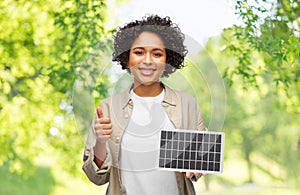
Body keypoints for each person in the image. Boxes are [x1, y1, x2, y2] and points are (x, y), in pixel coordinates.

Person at [82, 14, 206, 195]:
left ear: (167, 60)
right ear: (127, 58)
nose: (147, 60)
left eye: (157, 54)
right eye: (139, 52)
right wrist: (101, 142)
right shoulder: (108, 108)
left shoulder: (187, 104)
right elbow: (97, 177)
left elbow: (201, 161)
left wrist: (198, 165)